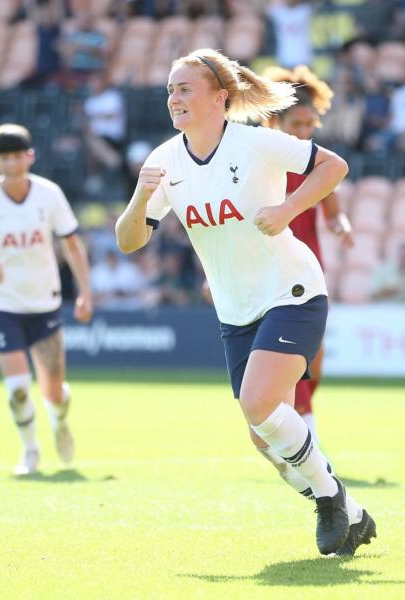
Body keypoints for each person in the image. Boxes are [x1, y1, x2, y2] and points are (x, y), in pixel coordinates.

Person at [114, 48, 375, 557]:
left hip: (292, 292)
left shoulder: (255, 142)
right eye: (170, 89)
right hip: (235, 311)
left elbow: (333, 166)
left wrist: (289, 208)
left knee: (261, 404)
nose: (175, 98)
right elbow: (130, 241)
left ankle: (329, 501)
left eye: (185, 88)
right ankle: (352, 509)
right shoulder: (163, 161)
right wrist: (139, 199)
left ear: (220, 97)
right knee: (264, 440)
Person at [0, 124, 93, 474]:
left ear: (30, 156)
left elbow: (72, 245)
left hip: (44, 302)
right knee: (17, 388)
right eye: (5, 157)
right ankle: (30, 451)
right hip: (2, 304)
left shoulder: (49, 194)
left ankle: (60, 422)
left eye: (19, 155)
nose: (13, 163)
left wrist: (84, 293)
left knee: (53, 392)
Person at [261, 64, 355, 443]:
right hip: (269, 273)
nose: (304, 133)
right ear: (276, 124)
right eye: (296, 124)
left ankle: (290, 430)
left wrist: (341, 226)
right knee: (291, 359)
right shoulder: (263, 166)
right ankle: (305, 438)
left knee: (313, 363)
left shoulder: (317, 166)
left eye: (309, 126)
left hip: (308, 269)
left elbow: (333, 212)